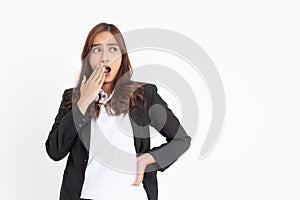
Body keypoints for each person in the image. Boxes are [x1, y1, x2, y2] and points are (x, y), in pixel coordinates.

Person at [45, 22, 191, 200]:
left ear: (122, 57)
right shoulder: (73, 97)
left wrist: (149, 158)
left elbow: (181, 139)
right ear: (88, 57)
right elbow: (54, 151)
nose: (104, 58)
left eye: (113, 49)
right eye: (97, 50)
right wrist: (83, 101)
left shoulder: (144, 95)